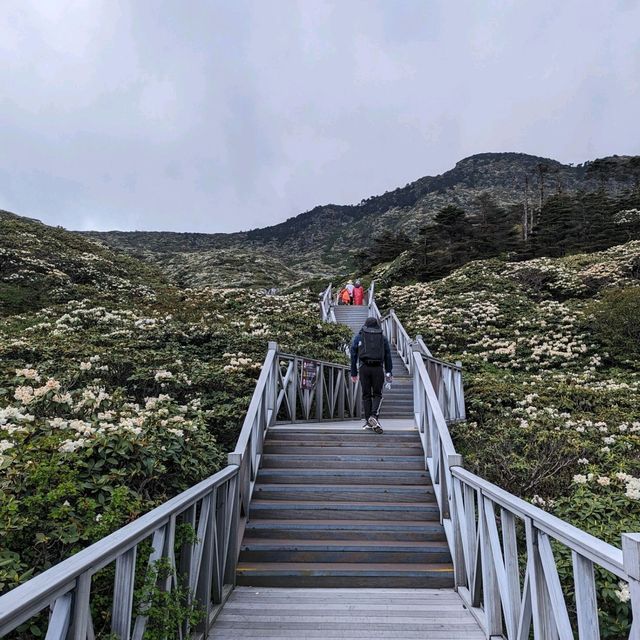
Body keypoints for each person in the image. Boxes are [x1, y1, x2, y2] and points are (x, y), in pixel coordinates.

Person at [350, 317, 393, 433]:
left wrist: (353, 372)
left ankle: (368, 421)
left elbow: (353, 354)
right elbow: (388, 355)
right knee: (377, 394)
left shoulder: (360, 336)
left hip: (364, 368)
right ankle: (373, 416)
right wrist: (389, 372)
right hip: (378, 368)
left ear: (365, 325)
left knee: (366, 395)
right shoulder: (382, 337)